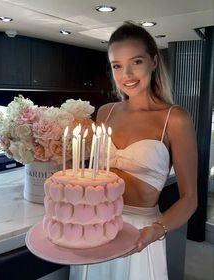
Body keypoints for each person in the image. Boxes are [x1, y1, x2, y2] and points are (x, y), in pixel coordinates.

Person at [70, 22, 197, 280]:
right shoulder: (105, 112)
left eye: (135, 62)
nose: (126, 74)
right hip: (95, 227)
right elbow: (93, 175)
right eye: (117, 65)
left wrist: (156, 230)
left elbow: (190, 198)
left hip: (141, 232)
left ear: (153, 61)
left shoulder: (175, 119)